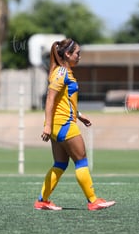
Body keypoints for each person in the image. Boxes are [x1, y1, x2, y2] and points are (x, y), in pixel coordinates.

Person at [34, 38, 116, 211]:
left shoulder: (63, 72)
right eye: (77, 53)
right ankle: (93, 201)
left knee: (61, 164)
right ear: (67, 54)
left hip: (60, 123)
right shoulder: (61, 73)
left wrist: (78, 115)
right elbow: (50, 99)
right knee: (81, 161)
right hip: (63, 124)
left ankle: (42, 200)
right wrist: (47, 125)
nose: (79, 56)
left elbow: (63, 101)